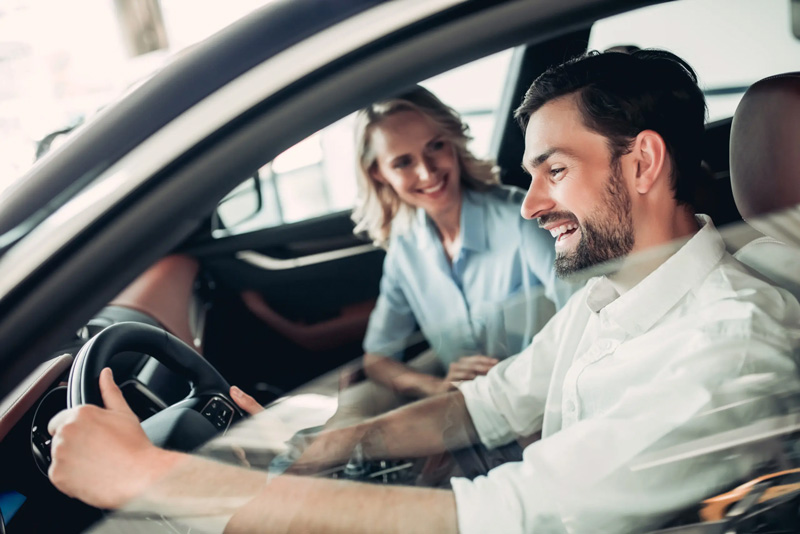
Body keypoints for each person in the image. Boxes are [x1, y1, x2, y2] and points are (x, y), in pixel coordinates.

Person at [48, 49, 800, 534]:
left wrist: (157, 477)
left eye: (554, 170)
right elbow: (486, 403)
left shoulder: (726, 347)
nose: (532, 203)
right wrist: (314, 451)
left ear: (641, 165)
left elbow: (493, 517)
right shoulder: (613, 301)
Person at [245, 86, 569, 423]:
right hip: (468, 413)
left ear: (453, 142)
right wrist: (435, 386)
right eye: (403, 163)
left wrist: (512, 379)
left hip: (540, 403)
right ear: (378, 173)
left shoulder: (522, 220)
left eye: (435, 147)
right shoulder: (405, 249)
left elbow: (584, 318)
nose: (427, 173)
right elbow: (377, 358)